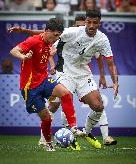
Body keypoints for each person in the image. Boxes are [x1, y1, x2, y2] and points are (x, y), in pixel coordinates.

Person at [9, 11, 118, 147]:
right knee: (55, 104)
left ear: (99, 23)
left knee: (98, 106)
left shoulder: (102, 39)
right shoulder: (71, 32)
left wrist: (114, 82)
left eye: (94, 22)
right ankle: (46, 139)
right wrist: (24, 31)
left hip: (83, 74)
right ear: (84, 22)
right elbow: (44, 34)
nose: (90, 25)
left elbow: (108, 61)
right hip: (64, 71)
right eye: (88, 22)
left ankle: (85, 132)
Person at [9, 18, 82, 151]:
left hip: (43, 79)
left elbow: (44, 54)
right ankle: (48, 143)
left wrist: (51, 57)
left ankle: (73, 127)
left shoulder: (49, 41)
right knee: (46, 117)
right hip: (30, 87)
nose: (56, 38)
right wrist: (24, 57)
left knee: (65, 93)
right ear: (47, 31)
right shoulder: (34, 40)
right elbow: (14, 50)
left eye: (58, 36)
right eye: (55, 35)